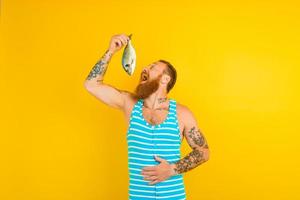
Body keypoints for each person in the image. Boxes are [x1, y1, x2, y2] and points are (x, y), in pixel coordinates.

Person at [84, 34, 210, 200]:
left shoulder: (182, 113)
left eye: (152, 67)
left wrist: (172, 169)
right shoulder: (129, 104)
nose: (144, 68)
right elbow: (91, 84)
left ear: (165, 79)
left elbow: (203, 152)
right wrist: (111, 51)